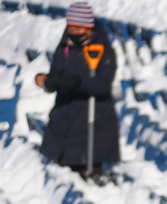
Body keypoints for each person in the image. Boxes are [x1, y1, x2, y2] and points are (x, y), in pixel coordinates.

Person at [35, 2, 120, 180]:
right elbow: (56, 73)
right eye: (71, 29)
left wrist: (78, 82)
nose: (73, 34)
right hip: (65, 115)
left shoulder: (103, 50)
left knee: (87, 161)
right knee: (62, 169)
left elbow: (103, 85)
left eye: (78, 30)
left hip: (93, 118)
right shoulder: (65, 47)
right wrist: (48, 81)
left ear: (89, 28)